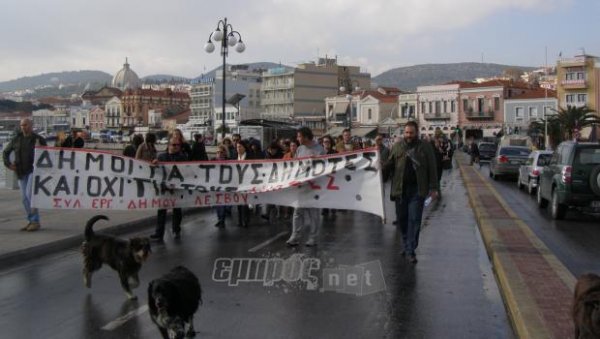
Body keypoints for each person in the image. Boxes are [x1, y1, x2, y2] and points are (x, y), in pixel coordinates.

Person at [383, 121, 439, 263]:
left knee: (414, 220)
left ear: (416, 133)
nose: (408, 135)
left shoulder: (425, 147)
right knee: (402, 220)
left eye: (411, 133)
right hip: (399, 190)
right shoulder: (397, 147)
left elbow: (432, 168)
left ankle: (411, 250)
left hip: (417, 190)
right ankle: (406, 243)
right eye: (406, 132)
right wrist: (377, 165)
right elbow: (389, 165)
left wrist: (434, 188)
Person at [2, 118, 47, 231]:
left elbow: (47, 154)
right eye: (22, 125)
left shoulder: (38, 139)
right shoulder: (16, 139)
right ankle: (31, 220)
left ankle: (35, 221)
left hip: (33, 171)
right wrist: (9, 164)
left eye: (25, 125)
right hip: (21, 172)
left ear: (31, 126)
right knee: (24, 199)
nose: (23, 127)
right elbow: (5, 152)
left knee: (29, 195)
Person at [286, 127, 326, 247]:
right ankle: (295, 236)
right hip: (301, 185)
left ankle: (313, 237)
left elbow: (324, 167)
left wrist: (315, 162)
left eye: (299, 136)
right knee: (298, 211)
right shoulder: (299, 149)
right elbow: (295, 164)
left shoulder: (319, 149)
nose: (297, 139)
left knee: (313, 213)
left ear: (306, 136)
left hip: (314, 186)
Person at [150, 137, 188, 241]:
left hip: (177, 188)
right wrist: (154, 164)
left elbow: (187, 171)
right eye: (174, 145)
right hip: (164, 188)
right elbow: (155, 171)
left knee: (177, 210)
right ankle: (159, 233)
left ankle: (176, 230)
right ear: (169, 145)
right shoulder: (161, 156)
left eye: (178, 145)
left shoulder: (183, 157)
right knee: (162, 210)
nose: (176, 147)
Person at [213, 145, 229, 228]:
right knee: (217, 203)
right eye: (218, 152)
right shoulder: (212, 161)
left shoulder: (229, 162)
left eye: (221, 152)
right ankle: (219, 219)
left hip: (225, 185)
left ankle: (222, 219)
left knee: (222, 203)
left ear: (225, 153)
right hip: (216, 185)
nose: (219, 154)